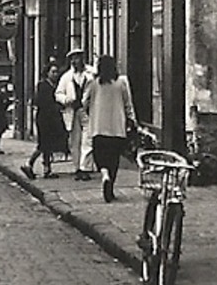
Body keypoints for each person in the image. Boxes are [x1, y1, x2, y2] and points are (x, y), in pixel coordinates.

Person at [83, 54, 138, 202]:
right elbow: (128, 103)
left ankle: (104, 174)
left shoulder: (93, 83)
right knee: (114, 158)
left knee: (100, 157)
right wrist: (132, 120)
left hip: (98, 127)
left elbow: (84, 102)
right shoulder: (122, 82)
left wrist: (92, 113)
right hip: (117, 128)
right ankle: (111, 187)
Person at [24, 60, 67, 179]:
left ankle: (47, 169)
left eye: (57, 72)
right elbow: (42, 102)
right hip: (44, 118)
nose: (55, 74)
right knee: (43, 144)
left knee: (47, 145)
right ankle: (28, 164)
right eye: (53, 72)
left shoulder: (54, 85)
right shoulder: (43, 86)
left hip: (51, 118)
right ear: (47, 73)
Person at [56, 48, 94, 180]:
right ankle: (77, 167)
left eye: (77, 58)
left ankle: (85, 168)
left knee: (88, 138)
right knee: (74, 140)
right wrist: (66, 100)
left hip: (87, 110)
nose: (75, 61)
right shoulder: (66, 77)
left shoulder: (92, 73)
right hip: (72, 110)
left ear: (82, 58)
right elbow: (58, 93)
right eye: (72, 59)